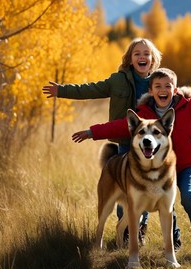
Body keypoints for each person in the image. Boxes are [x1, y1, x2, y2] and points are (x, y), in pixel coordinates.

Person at [72, 68, 191, 264]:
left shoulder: (188, 106)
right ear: (151, 91)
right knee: (157, 203)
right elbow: (119, 126)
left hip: (186, 165)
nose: (163, 90)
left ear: (175, 89)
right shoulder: (143, 113)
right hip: (157, 168)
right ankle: (169, 241)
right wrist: (92, 132)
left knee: (188, 197)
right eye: (158, 86)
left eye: (168, 86)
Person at [42, 38, 162, 243]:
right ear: (130, 59)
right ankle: (125, 232)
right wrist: (62, 90)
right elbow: (89, 89)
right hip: (126, 142)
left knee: (148, 186)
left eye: (146, 54)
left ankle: (140, 228)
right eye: (137, 54)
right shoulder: (118, 80)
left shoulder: (157, 82)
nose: (142, 57)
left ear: (153, 59)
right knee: (125, 188)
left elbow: (180, 102)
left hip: (151, 144)